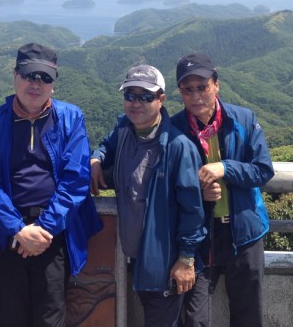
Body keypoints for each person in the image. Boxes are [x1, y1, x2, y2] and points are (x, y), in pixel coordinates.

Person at [0, 43, 101, 327]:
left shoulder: (70, 118)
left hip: (52, 232)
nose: (36, 83)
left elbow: (75, 179)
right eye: (29, 75)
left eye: (45, 77)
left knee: (50, 315)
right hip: (8, 231)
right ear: (15, 76)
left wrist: (43, 230)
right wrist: (18, 230)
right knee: (12, 315)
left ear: (53, 84)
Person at [91, 64, 206, 327]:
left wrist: (186, 259)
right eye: (130, 95)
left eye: (145, 96)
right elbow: (106, 145)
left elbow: (192, 209)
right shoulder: (124, 130)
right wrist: (96, 159)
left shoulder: (178, 147)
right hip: (136, 258)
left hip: (165, 262)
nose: (136, 103)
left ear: (161, 99)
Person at [171, 53, 275, 327]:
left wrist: (226, 168)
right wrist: (199, 192)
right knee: (194, 318)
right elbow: (167, 182)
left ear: (216, 85)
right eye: (188, 89)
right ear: (180, 92)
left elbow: (263, 171)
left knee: (248, 316)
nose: (196, 96)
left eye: (202, 87)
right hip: (202, 236)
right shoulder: (175, 128)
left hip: (245, 232)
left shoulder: (243, 119)